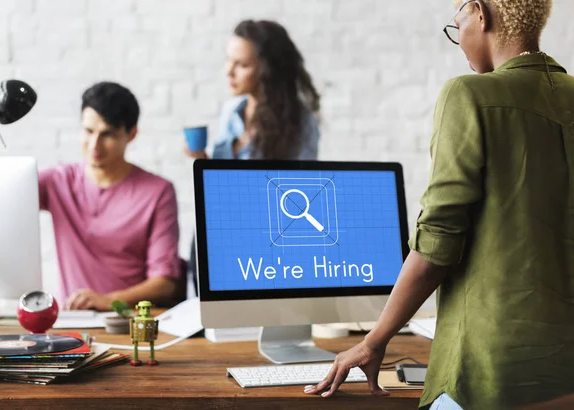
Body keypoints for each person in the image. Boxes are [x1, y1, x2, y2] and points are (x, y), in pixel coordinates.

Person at [305, 1, 574, 409]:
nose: (459, 39)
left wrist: (374, 340)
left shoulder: (468, 95)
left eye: (457, 24)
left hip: (491, 370)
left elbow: (437, 244)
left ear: (480, 14)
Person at [184, 20, 322, 292]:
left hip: (260, 239)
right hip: (217, 225)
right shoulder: (232, 111)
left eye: (242, 65)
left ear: (268, 71)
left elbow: (300, 190)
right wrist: (204, 160)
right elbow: (224, 174)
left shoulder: (300, 122)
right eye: (229, 61)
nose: (229, 72)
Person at [39, 82, 184, 311]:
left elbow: (164, 283)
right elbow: (1, 201)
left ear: (132, 134)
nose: (94, 145)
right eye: (88, 131)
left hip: (127, 319)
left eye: (107, 134)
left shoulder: (158, 192)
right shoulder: (56, 181)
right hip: (72, 320)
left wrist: (110, 301)